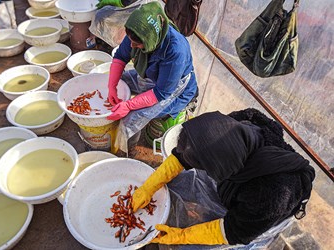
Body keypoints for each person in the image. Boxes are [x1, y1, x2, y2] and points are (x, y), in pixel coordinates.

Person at [131, 108, 315, 248]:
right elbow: (187, 151)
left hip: (264, 214)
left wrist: (181, 236)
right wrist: (149, 186)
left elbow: (235, 231)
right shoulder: (240, 122)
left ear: (221, 170)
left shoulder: (272, 195)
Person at [103, 1, 198, 153]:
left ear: (150, 40)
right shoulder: (137, 30)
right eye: (130, 40)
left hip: (174, 89)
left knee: (132, 117)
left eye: (137, 43)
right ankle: (120, 134)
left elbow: (161, 93)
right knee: (118, 82)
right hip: (150, 75)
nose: (132, 45)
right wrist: (112, 87)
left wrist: (128, 105)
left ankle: (125, 151)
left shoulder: (175, 51)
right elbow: (120, 56)